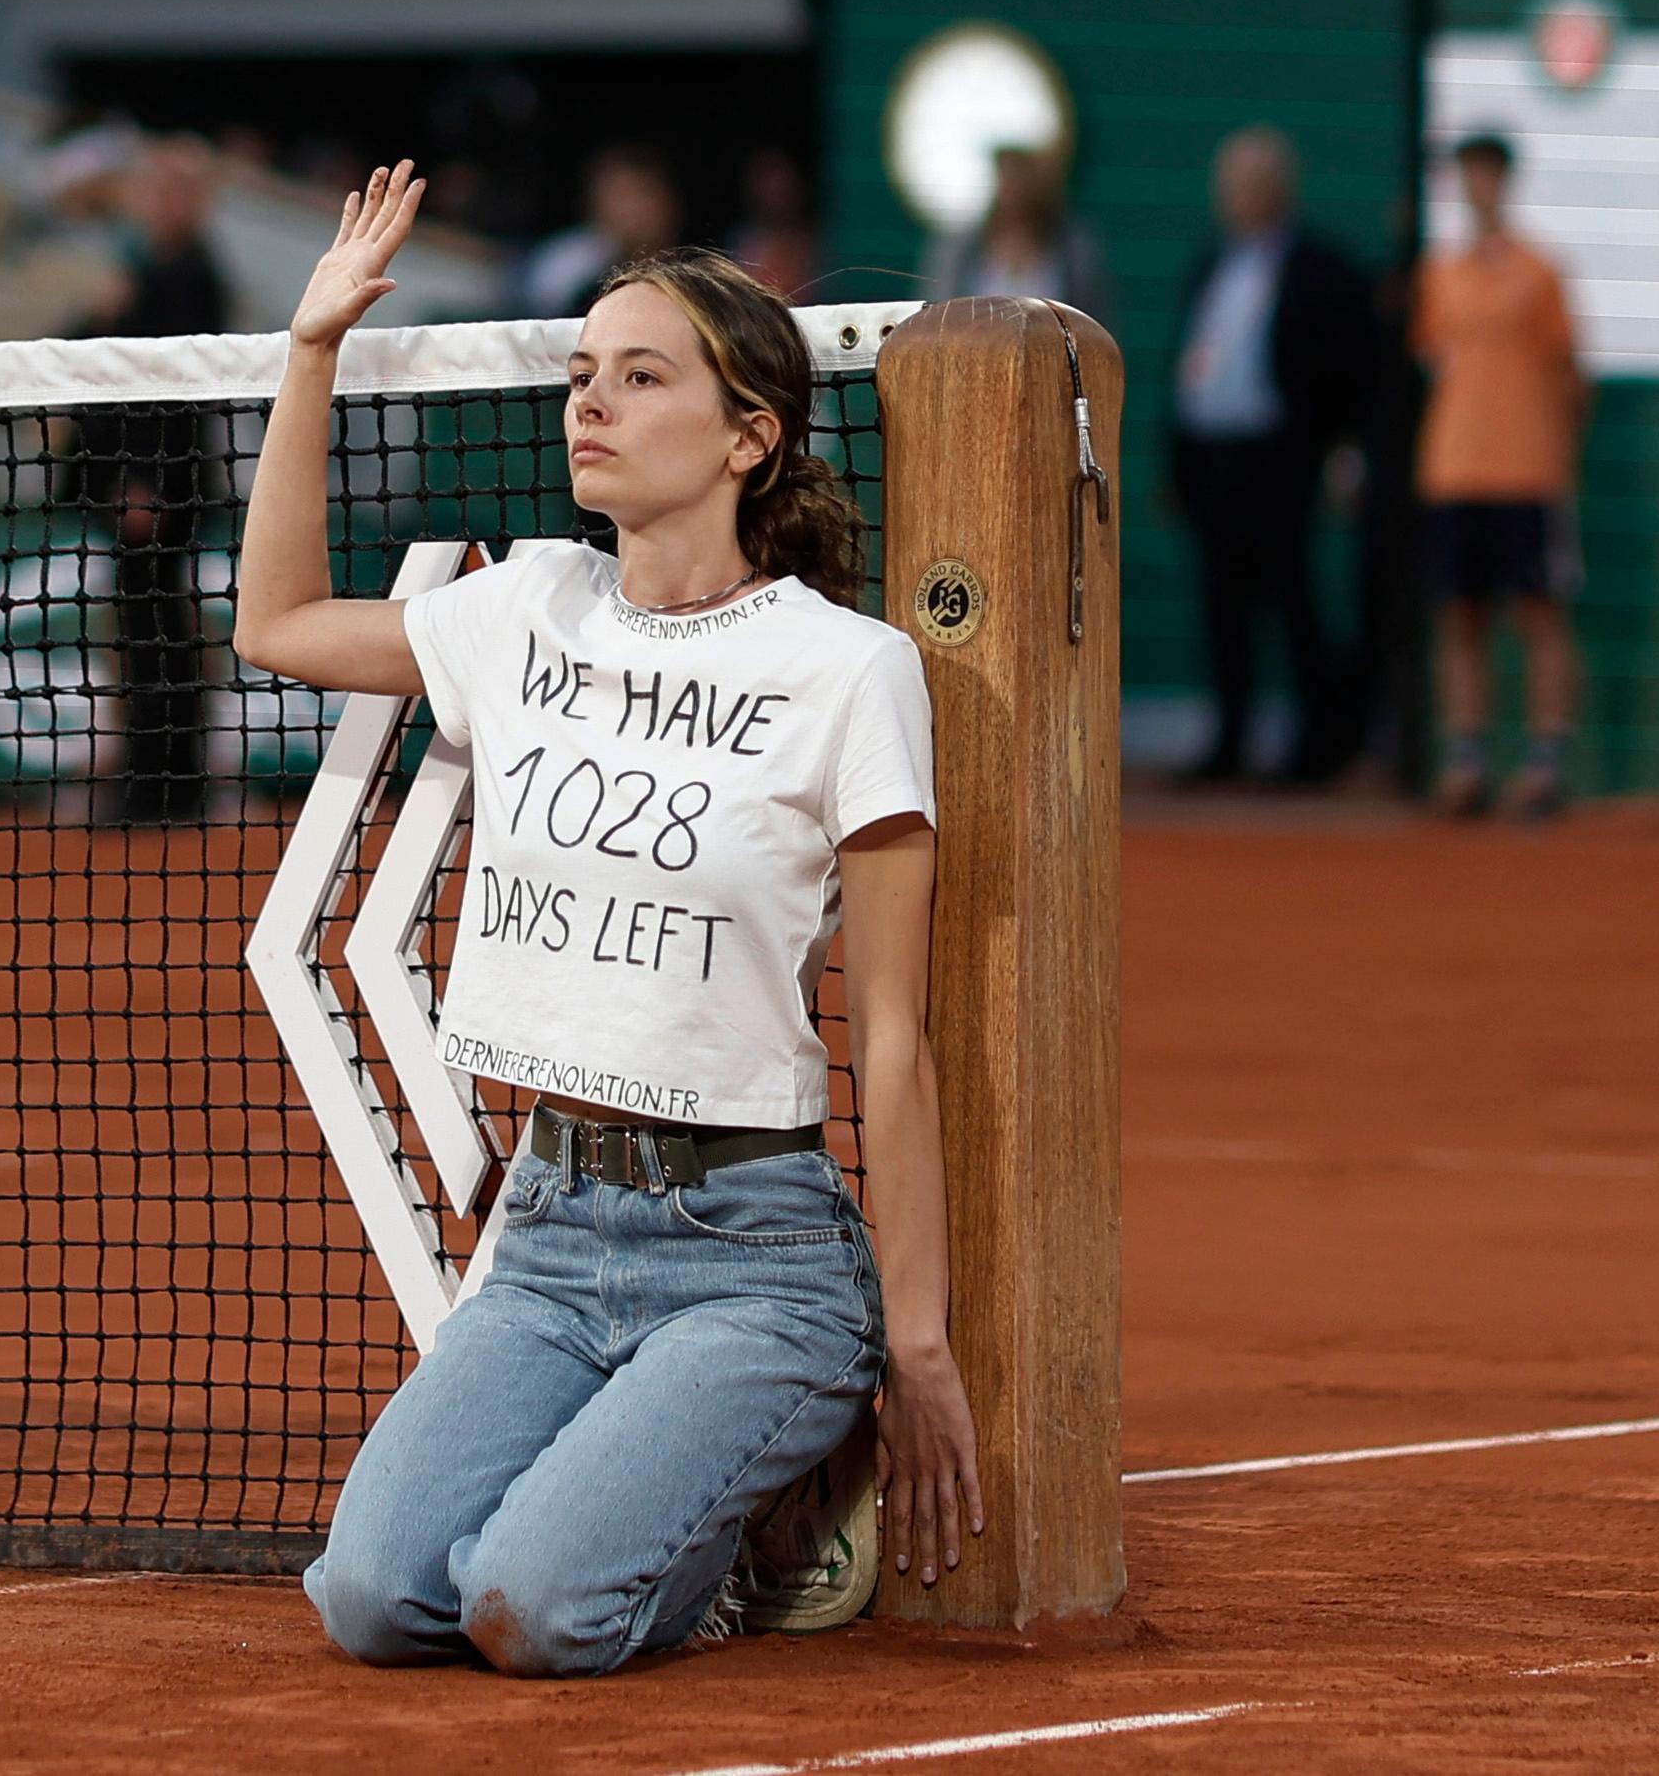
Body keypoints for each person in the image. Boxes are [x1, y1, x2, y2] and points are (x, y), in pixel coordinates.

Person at [239, 165, 984, 1676]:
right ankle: (654, 1493)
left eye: (642, 378)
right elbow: (277, 624)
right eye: (582, 374)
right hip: (553, 1233)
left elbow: (893, 1040)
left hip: (753, 1252)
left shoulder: (851, 671)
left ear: (749, 435)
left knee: (533, 1612)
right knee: (373, 1598)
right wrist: (308, 348)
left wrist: (915, 1341)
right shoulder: (525, 608)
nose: (591, 402)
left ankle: (747, 1525)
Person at [1168, 126, 1374, 785]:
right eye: (1232, 185)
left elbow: (1347, 370)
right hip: (1215, 459)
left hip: (1282, 459)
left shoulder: (1321, 268)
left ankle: (1315, 747)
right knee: (1220, 607)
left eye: (1255, 184)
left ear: (1281, 190)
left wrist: (1340, 448)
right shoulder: (1211, 263)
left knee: (1292, 604)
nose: (1241, 196)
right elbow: (1186, 368)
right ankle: (1229, 741)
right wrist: (1180, 464)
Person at [1414, 132, 1585, 819]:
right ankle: (1468, 761)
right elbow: (1430, 359)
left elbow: (1572, 375)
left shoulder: (1541, 272)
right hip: (1454, 469)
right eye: (1467, 174)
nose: (1477, 186)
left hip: (1529, 469)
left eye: (1487, 173)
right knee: (1460, 617)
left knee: (1539, 615)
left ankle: (1544, 762)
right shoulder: (1440, 274)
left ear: (1505, 181)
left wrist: (1555, 452)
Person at [81, 132, 230, 825]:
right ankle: (156, 778)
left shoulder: (191, 278)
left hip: (164, 489)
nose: (160, 203)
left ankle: (165, 785)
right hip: (142, 486)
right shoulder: (143, 270)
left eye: (175, 190)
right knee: (145, 631)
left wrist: (146, 483)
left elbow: (168, 397)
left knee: (159, 634)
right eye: (154, 189)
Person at [922, 144, 1112, 324]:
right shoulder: (958, 248)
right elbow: (935, 314)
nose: (1013, 190)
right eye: (1006, 178)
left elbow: (1094, 322)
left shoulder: (1074, 249)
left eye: (1020, 177)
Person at [518, 143, 679, 318]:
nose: (634, 209)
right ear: (595, 203)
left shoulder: (697, 267)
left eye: (645, 194)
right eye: (623, 196)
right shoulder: (564, 267)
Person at [726, 146, 816, 302]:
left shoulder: (816, 244)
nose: (774, 191)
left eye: (780, 181)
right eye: (765, 181)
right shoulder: (741, 244)